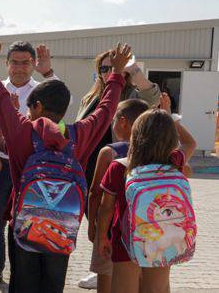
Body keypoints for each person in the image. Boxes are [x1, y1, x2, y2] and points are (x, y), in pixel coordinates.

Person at [0, 42, 130, 293]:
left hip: (23, 226)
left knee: (23, 284)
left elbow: (0, 101)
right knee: (53, 284)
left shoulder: (23, 132)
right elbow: (106, 109)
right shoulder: (79, 135)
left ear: (36, 107)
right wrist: (117, 75)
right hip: (62, 227)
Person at [0, 41, 57, 288]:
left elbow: (63, 100)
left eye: (25, 62)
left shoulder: (43, 90)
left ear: (33, 64)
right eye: (15, 62)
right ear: (7, 65)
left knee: (27, 220)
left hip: (30, 168)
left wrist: (49, 72)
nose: (20, 67)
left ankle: (23, 273)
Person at [76, 49, 160, 290]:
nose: (108, 72)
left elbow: (152, 96)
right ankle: (104, 264)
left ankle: (119, 272)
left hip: (121, 166)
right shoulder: (90, 97)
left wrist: (132, 71)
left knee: (118, 220)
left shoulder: (133, 96)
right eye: (103, 68)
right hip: (93, 166)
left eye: (113, 67)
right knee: (99, 220)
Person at [97, 107, 196, 293]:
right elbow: (191, 143)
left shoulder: (120, 166)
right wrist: (171, 118)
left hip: (125, 240)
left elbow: (106, 207)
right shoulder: (174, 162)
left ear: (136, 133)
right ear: (171, 138)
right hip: (162, 240)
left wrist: (102, 235)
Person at [85, 99, 150, 293]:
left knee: (106, 276)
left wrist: (92, 225)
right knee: (138, 278)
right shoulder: (155, 152)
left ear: (123, 121)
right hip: (144, 228)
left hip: (111, 229)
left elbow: (96, 192)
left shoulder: (110, 152)